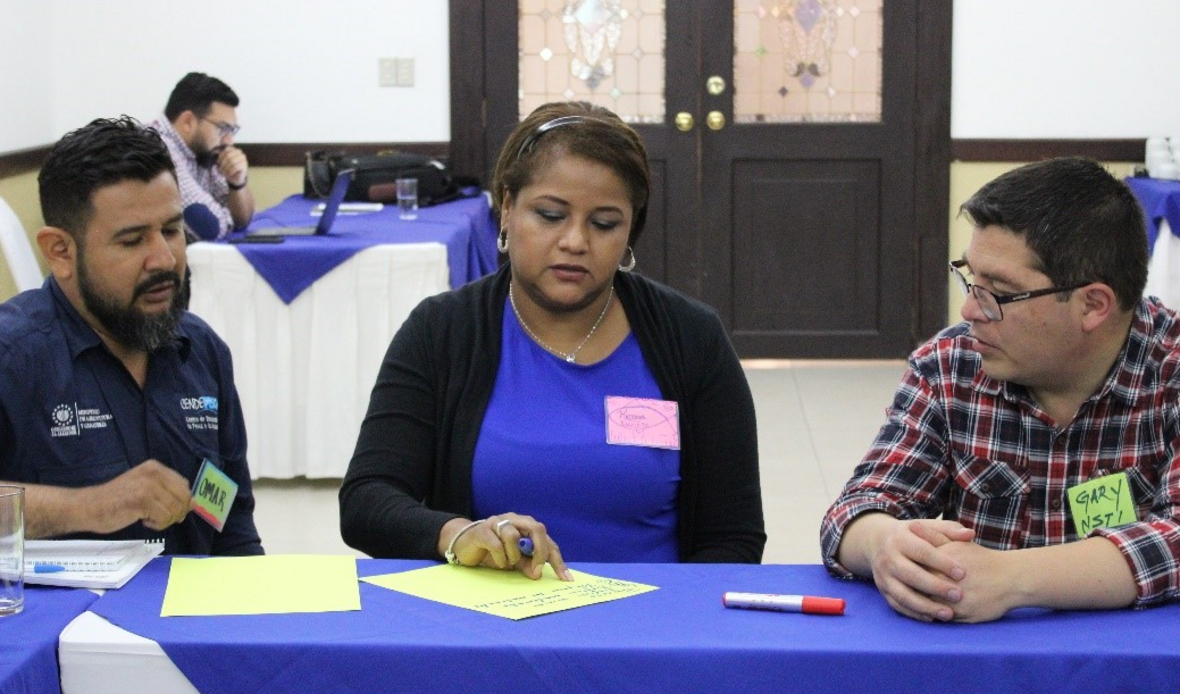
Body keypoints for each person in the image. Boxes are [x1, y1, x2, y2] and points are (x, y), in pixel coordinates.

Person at [340, 101, 764, 578]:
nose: (575, 241)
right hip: (488, 626)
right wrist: (456, 534)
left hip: (649, 631)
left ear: (630, 231)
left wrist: (671, 627)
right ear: (506, 209)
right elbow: (367, 501)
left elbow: (734, 536)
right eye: (550, 215)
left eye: (604, 223)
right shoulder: (442, 331)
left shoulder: (690, 337)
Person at [821, 156, 1180, 622]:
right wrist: (884, 545)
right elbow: (855, 509)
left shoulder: (1169, 370)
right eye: (970, 278)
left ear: (1093, 305)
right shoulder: (952, 366)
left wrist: (1012, 580)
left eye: (998, 292)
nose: (970, 309)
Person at [0, 116, 263, 556]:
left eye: (172, 230)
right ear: (60, 252)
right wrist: (87, 507)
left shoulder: (202, 352)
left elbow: (234, 527)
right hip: (55, 622)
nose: (164, 258)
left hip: (186, 616)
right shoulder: (13, 357)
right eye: (132, 241)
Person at [147, 72, 254, 240]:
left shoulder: (205, 150)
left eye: (232, 131)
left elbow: (242, 220)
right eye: (223, 128)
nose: (229, 140)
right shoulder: (157, 148)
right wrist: (228, 216)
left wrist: (237, 183)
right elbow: (210, 228)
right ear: (188, 121)